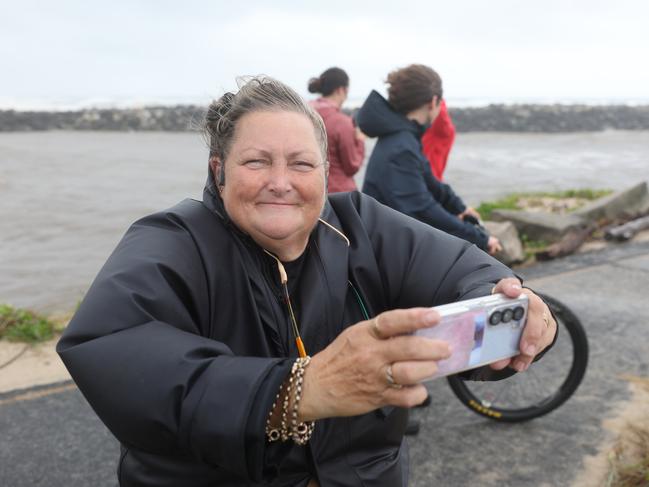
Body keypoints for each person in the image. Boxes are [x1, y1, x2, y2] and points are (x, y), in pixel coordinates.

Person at [57, 76, 556, 487]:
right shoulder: (172, 240)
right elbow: (110, 344)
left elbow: (463, 271)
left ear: (325, 172)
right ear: (219, 170)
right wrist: (297, 390)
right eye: (256, 161)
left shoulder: (359, 223)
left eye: (301, 164)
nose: (281, 181)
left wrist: (517, 306)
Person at [358, 64, 501, 255]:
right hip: (384, 252)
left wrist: (461, 208)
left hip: (391, 243)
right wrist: (480, 238)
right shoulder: (401, 146)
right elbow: (422, 209)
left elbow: (432, 184)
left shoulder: (404, 138)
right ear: (434, 102)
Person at [308, 67, 365, 193]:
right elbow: (352, 166)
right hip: (339, 194)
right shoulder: (341, 122)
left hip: (310, 189)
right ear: (341, 90)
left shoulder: (304, 115)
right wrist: (360, 141)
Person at [421, 99, 455, 181]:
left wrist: (433, 96)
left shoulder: (442, 131)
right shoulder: (419, 130)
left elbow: (441, 118)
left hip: (430, 184)